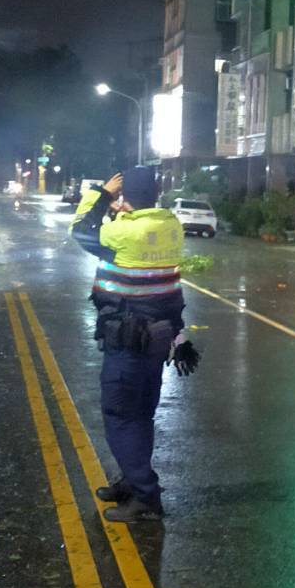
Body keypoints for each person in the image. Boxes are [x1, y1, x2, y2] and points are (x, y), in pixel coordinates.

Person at [70, 166, 198, 522]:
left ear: (125, 197)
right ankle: (131, 478)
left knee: (120, 415)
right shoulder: (170, 225)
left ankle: (145, 495)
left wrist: (101, 195)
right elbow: (168, 290)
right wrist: (179, 335)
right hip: (157, 337)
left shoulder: (122, 232)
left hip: (127, 342)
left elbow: (80, 229)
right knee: (140, 414)